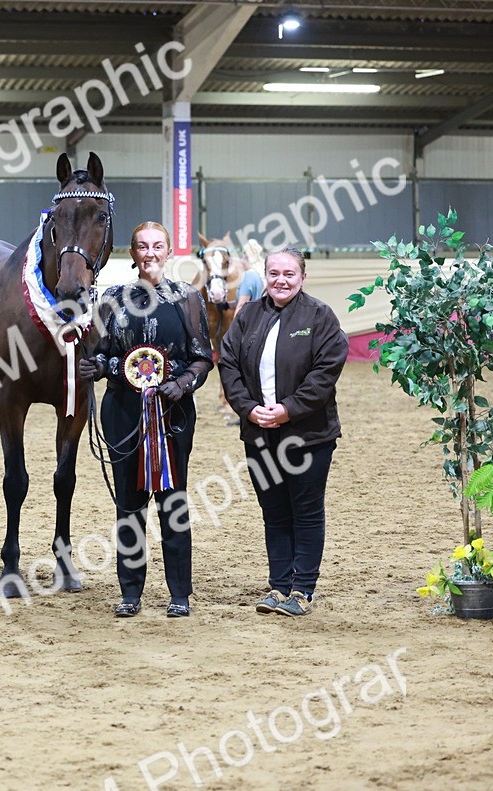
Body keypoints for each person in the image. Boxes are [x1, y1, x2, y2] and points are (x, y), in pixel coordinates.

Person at [79, 221, 214, 619]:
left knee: (173, 501)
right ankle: (130, 591)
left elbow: (202, 358)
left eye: (157, 245)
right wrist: (97, 366)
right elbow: (101, 353)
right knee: (128, 505)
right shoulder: (111, 299)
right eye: (142, 246)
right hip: (122, 411)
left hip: (173, 413)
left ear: (168, 251)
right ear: (133, 252)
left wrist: (183, 384)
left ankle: (179, 593)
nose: (150, 253)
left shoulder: (187, 297)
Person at [218, 246, 346, 618]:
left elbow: (325, 373)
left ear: (303, 277)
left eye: (289, 274)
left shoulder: (320, 316)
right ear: (265, 275)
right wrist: (248, 408)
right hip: (258, 433)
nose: (281, 280)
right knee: (273, 511)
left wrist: (289, 409)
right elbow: (228, 364)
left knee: (305, 511)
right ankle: (278, 586)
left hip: (308, 435)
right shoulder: (248, 316)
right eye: (274, 273)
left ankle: (302, 590)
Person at [235, 239, 266, 313]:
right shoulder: (263, 274)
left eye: (242, 257)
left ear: (246, 257)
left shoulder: (249, 276)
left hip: (250, 318)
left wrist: (235, 320)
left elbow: (241, 305)